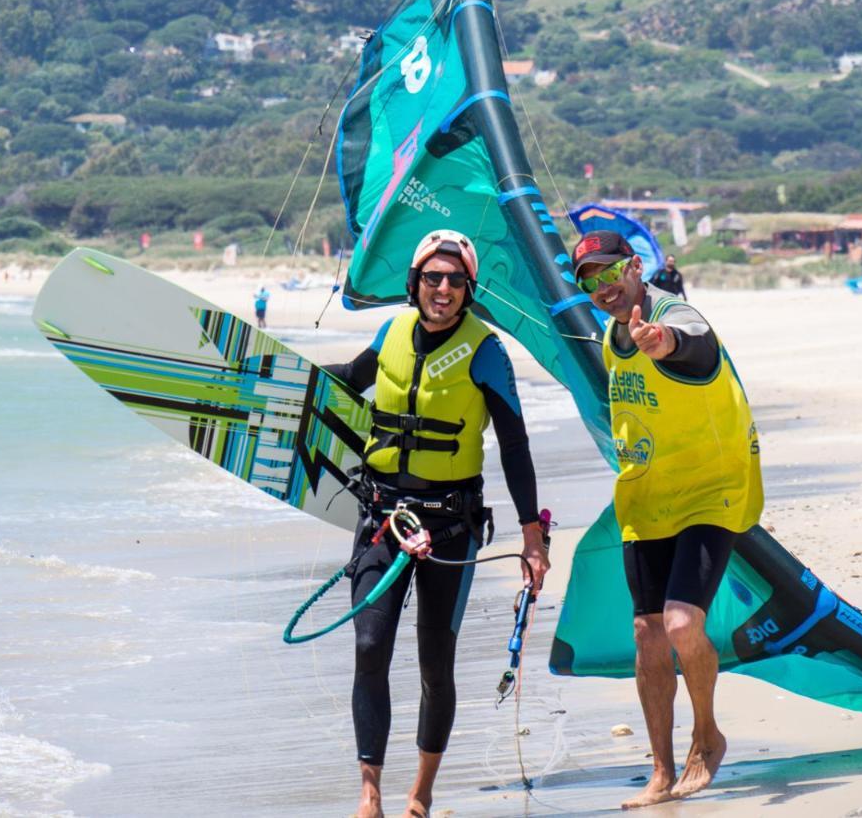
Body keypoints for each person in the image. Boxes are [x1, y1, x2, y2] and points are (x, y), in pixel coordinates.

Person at [324, 229, 550, 818]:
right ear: (416, 284)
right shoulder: (392, 331)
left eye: (453, 280)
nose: (442, 289)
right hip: (381, 516)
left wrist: (533, 537)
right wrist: (272, 375)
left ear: (468, 289)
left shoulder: (486, 350)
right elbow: (350, 377)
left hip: (452, 526)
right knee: (370, 646)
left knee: (434, 661)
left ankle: (421, 792)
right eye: (432, 277)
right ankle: (369, 791)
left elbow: (515, 446)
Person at [572, 230, 763, 810]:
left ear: (633, 265)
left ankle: (707, 737)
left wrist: (665, 342)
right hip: (649, 498)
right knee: (647, 635)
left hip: (712, 490)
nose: (601, 287)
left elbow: (696, 345)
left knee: (682, 625)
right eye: (588, 280)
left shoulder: (672, 314)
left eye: (609, 272)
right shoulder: (610, 335)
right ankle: (658, 767)